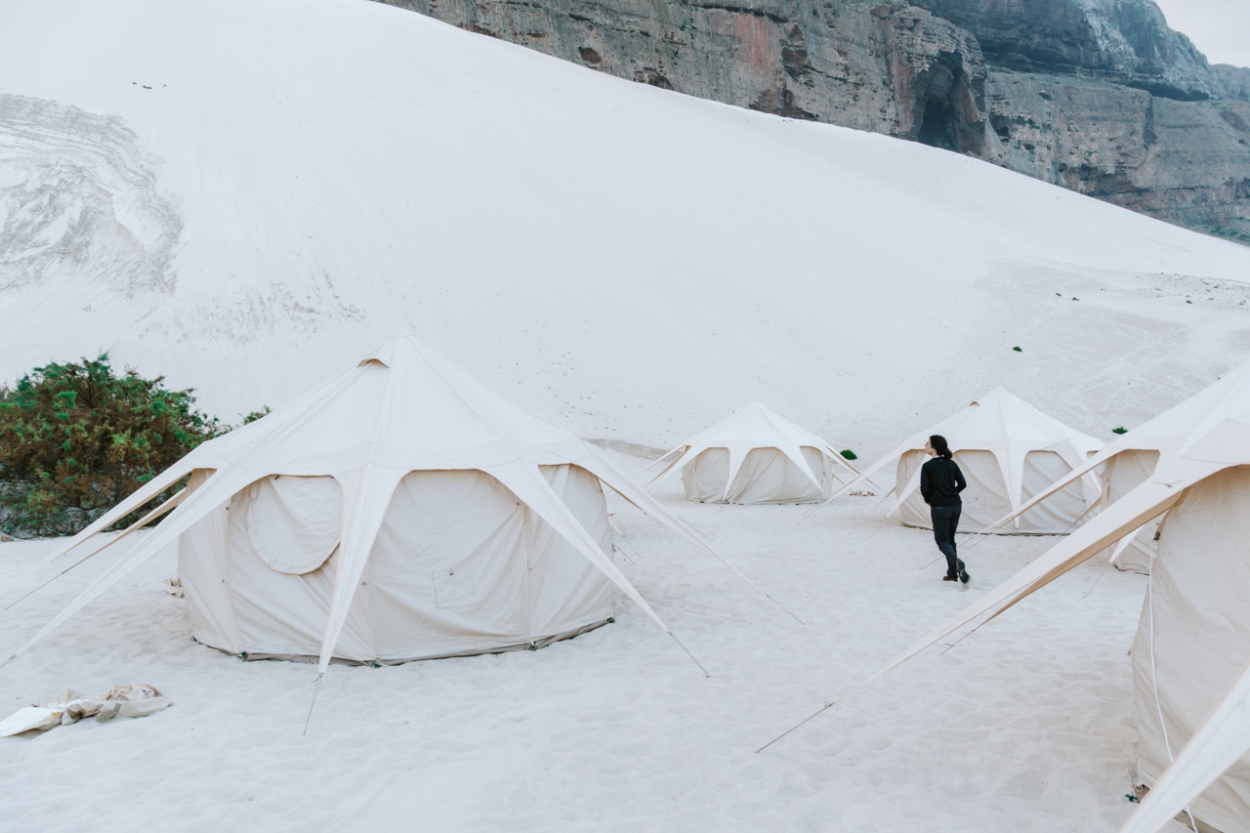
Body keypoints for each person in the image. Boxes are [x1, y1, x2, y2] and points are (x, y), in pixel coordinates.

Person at [920, 435, 969, 584]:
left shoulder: (928, 466)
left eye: (927, 443)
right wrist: (952, 494)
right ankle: (952, 573)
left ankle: (955, 562)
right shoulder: (951, 464)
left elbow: (925, 488)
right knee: (950, 539)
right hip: (955, 505)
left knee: (942, 540)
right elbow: (962, 484)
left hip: (940, 506)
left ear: (934, 447)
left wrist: (929, 500)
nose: (925, 445)